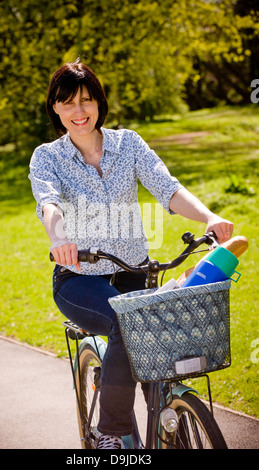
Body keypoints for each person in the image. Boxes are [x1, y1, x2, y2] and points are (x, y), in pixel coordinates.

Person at [29, 60, 234, 449]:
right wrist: (59, 238)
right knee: (129, 324)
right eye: (68, 102)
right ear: (55, 108)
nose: (79, 111)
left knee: (155, 348)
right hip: (80, 280)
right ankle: (111, 429)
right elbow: (49, 204)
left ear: (99, 103)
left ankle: (165, 423)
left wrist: (209, 217)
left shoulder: (128, 144)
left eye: (87, 100)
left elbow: (167, 188)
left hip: (134, 274)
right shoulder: (47, 158)